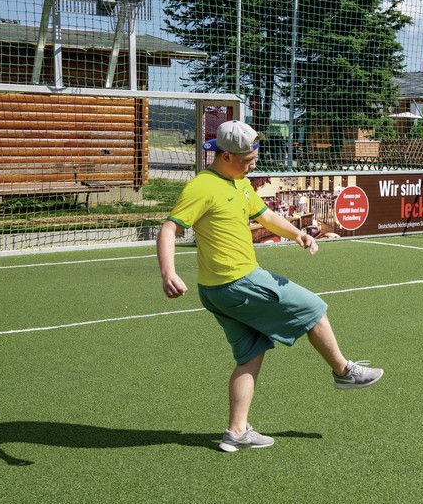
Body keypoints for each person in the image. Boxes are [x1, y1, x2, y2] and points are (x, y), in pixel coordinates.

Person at [157, 120, 383, 453]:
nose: (253, 165)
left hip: (216, 290)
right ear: (227, 156)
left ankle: (236, 432)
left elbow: (265, 217)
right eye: (248, 160)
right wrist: (168, 272)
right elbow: (168, 229)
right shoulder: (203, 187)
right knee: (314, 308)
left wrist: (298, 234)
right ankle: (342, 370)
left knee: (250, 355)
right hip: (239, 281)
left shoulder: (240, 184)